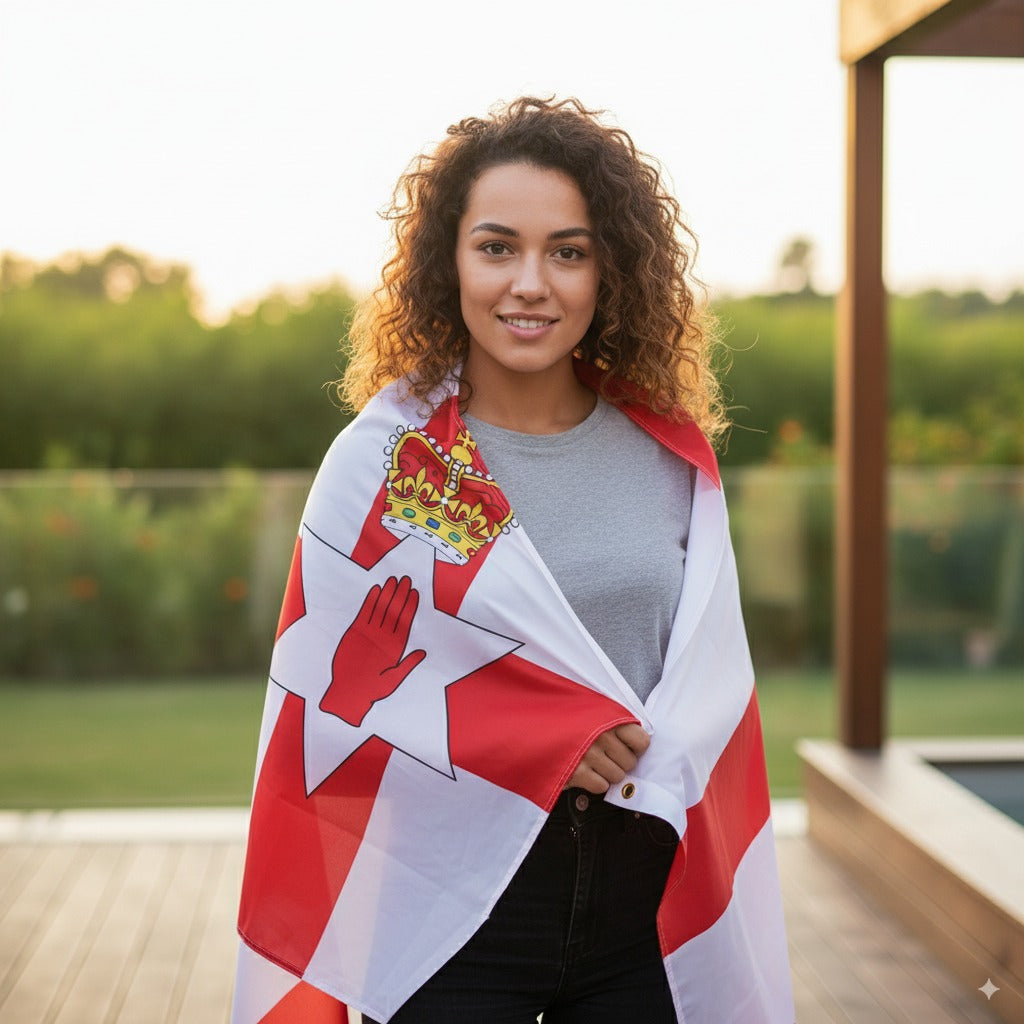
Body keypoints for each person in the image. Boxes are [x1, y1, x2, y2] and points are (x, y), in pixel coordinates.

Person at [233, 97, 794, 1024]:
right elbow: (324, 703)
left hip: (641, 913)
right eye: (497, 247)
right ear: (447, 262)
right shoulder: (392, 465)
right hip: (447, 912)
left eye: (568, 251)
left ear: (607, 270)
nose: (531, 282)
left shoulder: (671, 459)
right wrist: (546, 738)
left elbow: (707, 685)